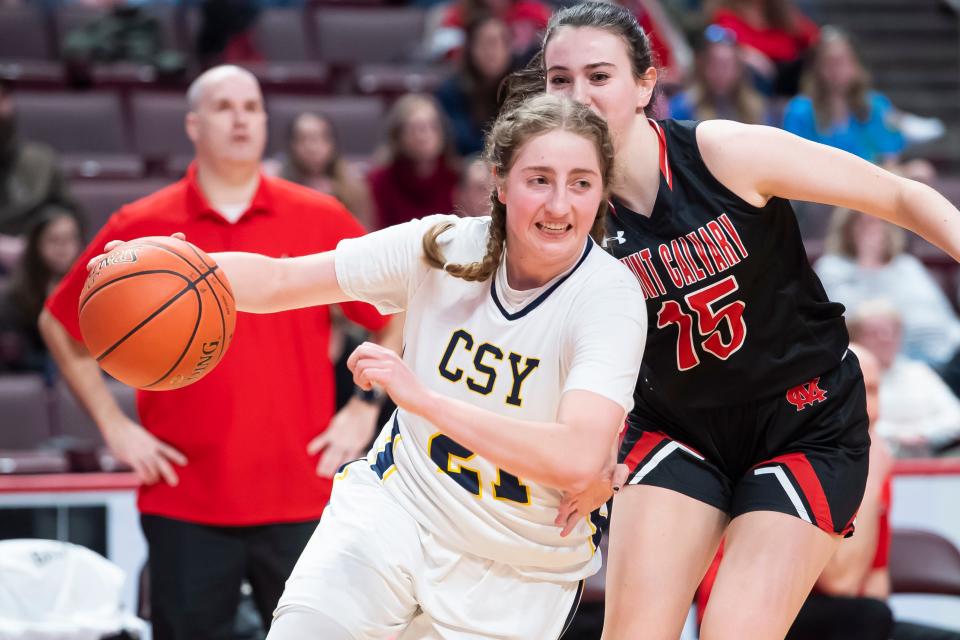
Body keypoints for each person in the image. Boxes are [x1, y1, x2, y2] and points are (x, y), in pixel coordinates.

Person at [98, 94, 646, 638]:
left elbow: (578, 458)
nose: (558, 205)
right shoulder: (440, 246)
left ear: (601, 193)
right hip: (395, 513)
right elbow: (280, 280)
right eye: (539, 180)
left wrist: (423, 400)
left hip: (521, 567)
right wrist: (168, 262)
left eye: (581, 183)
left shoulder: (608, 296)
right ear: (500, 183)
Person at [505, 3, 960, 638]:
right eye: (559, 79)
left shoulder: (723, 153)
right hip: (678, 426)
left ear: (645, 84)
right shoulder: (560, 214)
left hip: (804, 420)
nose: (577, 95)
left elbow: (899, 195)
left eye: (599, 76)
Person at [39, 65, 393, 640]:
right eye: (224, 106)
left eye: (252, 107)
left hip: (302, 491)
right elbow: (58, 324)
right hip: (186, 499)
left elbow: (394, 307)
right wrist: (112, 423)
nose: (240, 119)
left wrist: (362, 406)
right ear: (193, 124)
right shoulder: (142, 228)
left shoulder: (319, 216)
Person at [783, 27, 936, 183]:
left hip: (870, 183)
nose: (837, 69)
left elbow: (889, 159)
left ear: (856, 65)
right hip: (823, 188)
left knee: (921, 170)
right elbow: (796, 164)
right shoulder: (800, 110)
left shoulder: (876, 105)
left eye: (843, 61)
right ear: (816, 67)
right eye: (829, 62)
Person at [815, 207, 960, 369]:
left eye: (881, 222)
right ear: (848, 229)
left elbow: (943, 312)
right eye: (866, 223)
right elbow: (850, 319)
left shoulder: (908, 265)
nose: (874, 230)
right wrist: (867, 264)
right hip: (902, 358)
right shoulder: (833, 267)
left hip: (947, 351)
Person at [847, 300, 960, 457]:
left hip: (927, 456)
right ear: (855, 338)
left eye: (891, 331)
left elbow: (955, 416)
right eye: (874, 333)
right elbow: (850, 420)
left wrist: (921, 433)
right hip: (865, 457)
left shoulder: (919, 372)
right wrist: (897, 436)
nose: (885, 339)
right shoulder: (847, 377)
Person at [0, 79, 81, 271]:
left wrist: (43, 240)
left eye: (2, 97)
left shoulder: (41, 161)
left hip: (38, 266)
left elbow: (68, 211)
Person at [0, 208, 82, 378]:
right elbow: (16, 355)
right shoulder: (15, 296)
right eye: (54, 240)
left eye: (69, 239)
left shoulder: (91, 286)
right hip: (31, 374)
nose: (63, 247)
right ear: (36, 244)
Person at [367, 94, 461, 230]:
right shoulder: (379, 181)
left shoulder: (457, 177)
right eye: (415, 128)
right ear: (398, 136)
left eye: (432, 126)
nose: (424, 135)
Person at [435, 14, 515, 156]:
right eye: (485, 43)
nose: (492, 51)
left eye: (499, 42)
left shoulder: (523, 87)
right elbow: (461, 142)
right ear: (470, 48)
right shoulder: (451, 90)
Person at [279, 111, 375, 229]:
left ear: (333, 143)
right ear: (291, 145)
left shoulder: (354, 189)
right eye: (302, 139)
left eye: (319, 138)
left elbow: (364, 235)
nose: (311, 147)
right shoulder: (278, 185)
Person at [668, 24, 771, 124]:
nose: (720, 73)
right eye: (714, 64)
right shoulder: (684, 106)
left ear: (738, 69)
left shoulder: (755, 108)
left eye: (726, 65)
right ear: (702, 67)